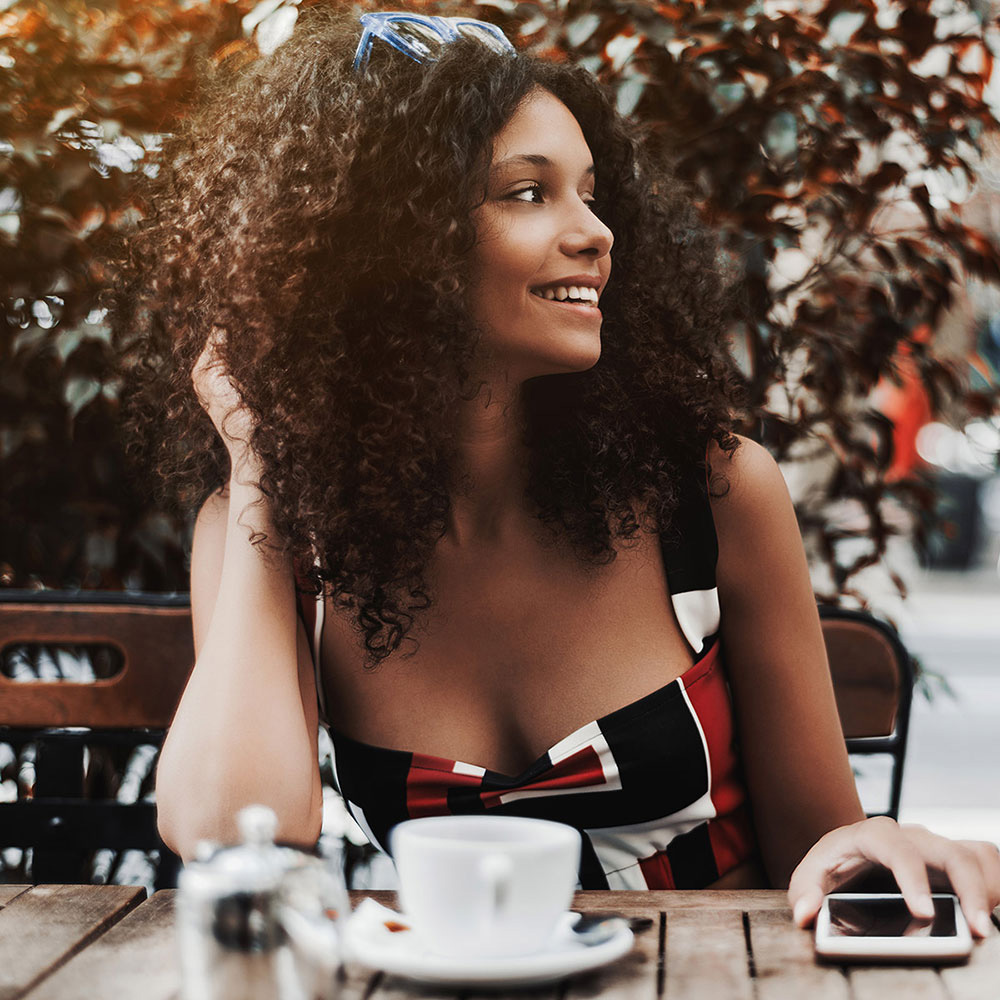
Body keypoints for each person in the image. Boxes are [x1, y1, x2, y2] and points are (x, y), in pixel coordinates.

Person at [109, 6, 999, 935]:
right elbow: (223, 837)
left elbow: (822, 850)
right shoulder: (274, 533)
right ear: (386, 245)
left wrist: (889, 847)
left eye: (590, 190)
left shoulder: (709, 495)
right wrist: (258, 463)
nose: (596, 232)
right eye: (528, 192)